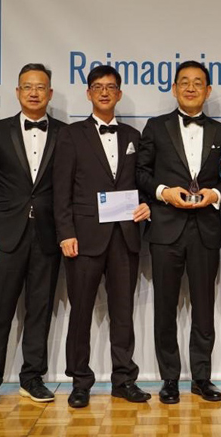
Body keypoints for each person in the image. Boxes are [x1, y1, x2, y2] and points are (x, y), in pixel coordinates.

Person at [53, 65, 151, 408]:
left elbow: (142, 182)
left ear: (119, 93)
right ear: (89, 93)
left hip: (125, 237)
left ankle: (124, 380)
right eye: (98, 87)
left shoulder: (134, 136)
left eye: (111, 87)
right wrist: (65, 232)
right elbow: (60, 190)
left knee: (123, 312)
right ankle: (80, 382)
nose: (105, 92)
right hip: (83, 238)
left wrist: (146, 204)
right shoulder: (71, 135)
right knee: (80, 312)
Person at [0, 64, 65, 408]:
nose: (34, 92)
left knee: (40, 309)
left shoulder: (64, 133)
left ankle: (32, 378)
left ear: (50, 93)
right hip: (6, 235)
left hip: (47, 235)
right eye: (27, 86)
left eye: (40, 87)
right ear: (17, 92)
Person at [136, 61, 221, 404]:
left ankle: (202, 378)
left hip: (205, 229)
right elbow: (140, 172)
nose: (191, 88)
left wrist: (215, 194)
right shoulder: (155, 127)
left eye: (198, 83)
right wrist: (163, 192)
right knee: (165, 307)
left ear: (208, 90)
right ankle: (169, 379)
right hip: (165, 228)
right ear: (174, 88)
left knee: (204, 309)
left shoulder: (220, 131)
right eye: (184, 82)